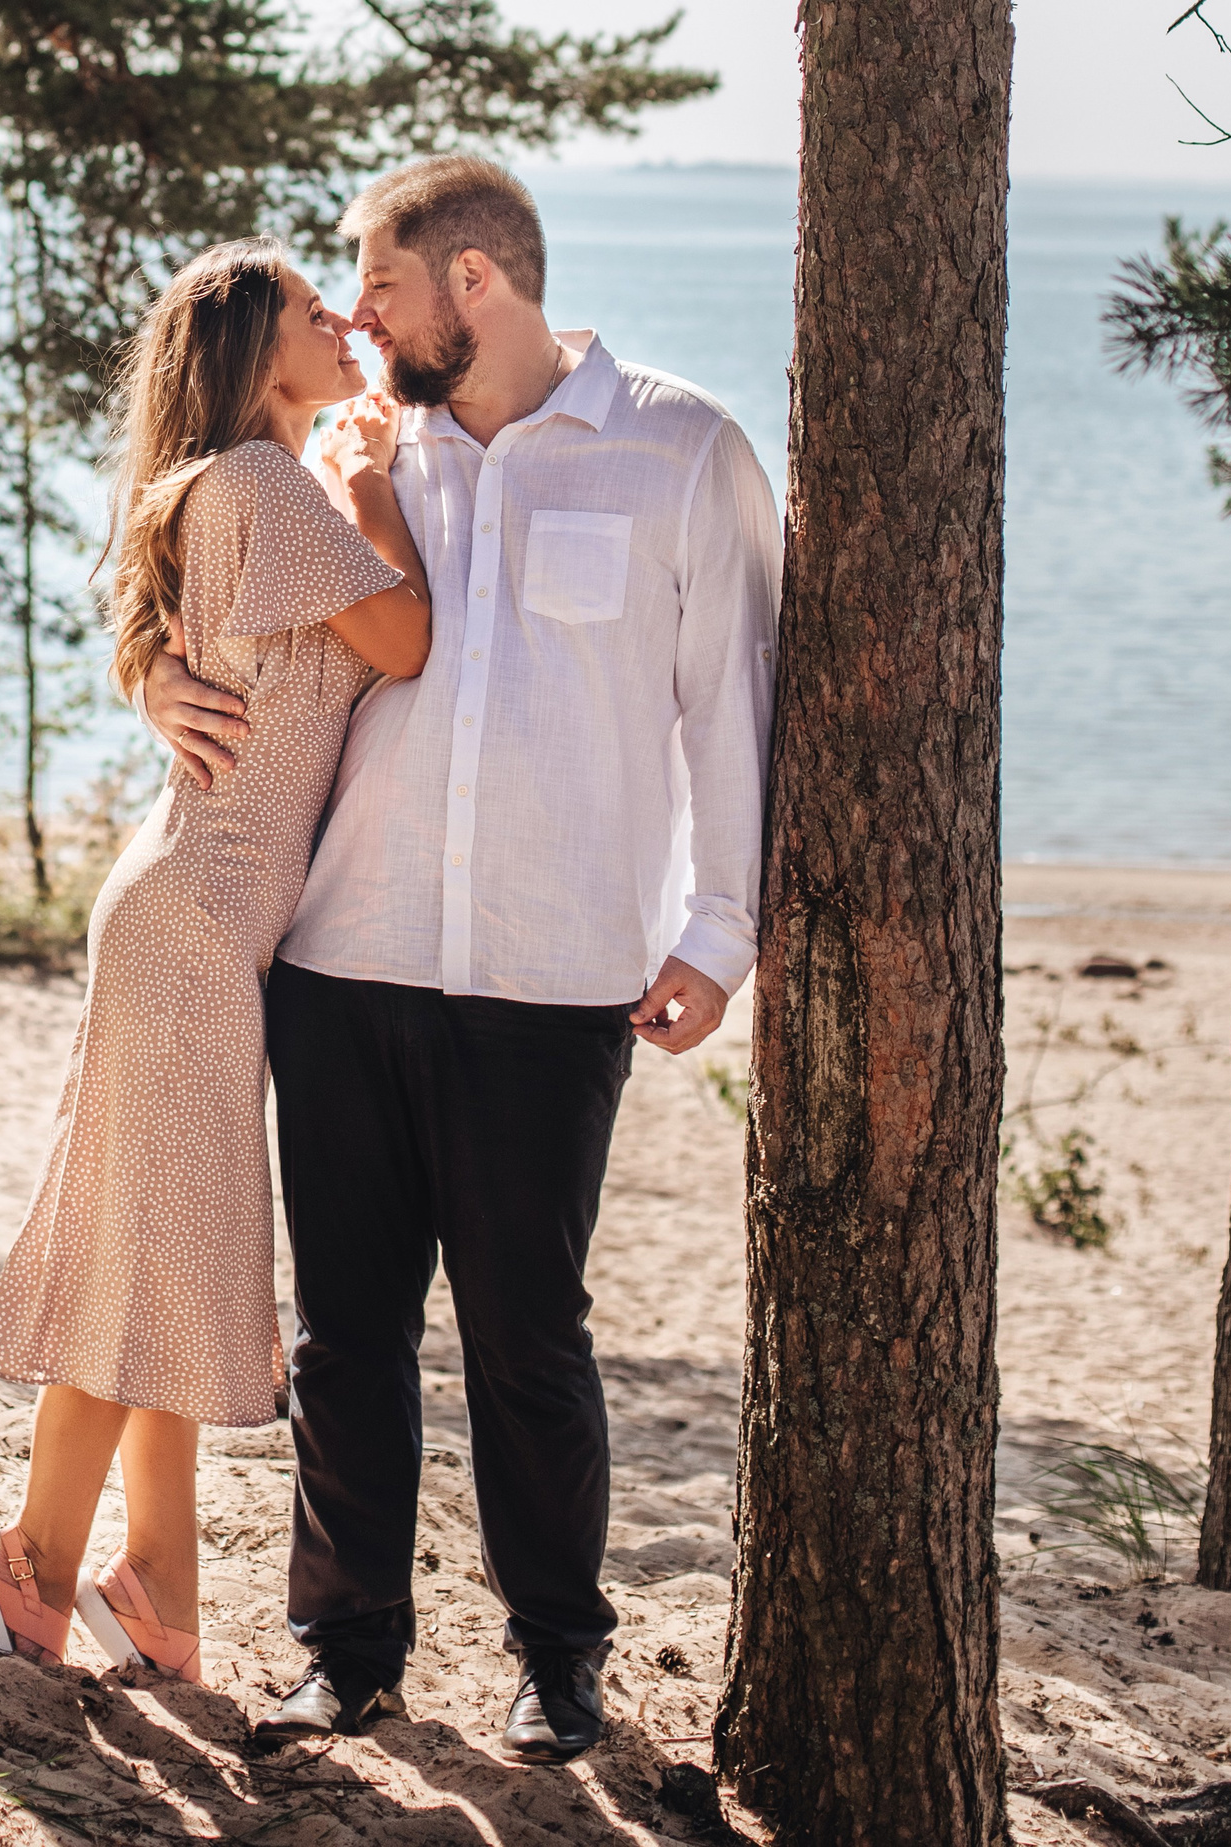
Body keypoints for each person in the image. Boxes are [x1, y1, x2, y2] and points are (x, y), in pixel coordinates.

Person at [140, 157, 782, 1762]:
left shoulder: (682, 451)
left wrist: (719, 932)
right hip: (342, 959)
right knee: (344, 1337)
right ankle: (344, 1650)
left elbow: (738, 713)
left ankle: (560, 1658)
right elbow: (192, 551)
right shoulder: (358, 451)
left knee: (528, 1337)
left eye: (381, 280)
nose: (357, 312)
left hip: (556, 978)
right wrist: (150, 671)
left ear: (475, 280)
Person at [0, 237, 433, 1687]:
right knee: (139, 1258)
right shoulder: (274, 487)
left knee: (161, 1252)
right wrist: (375, 486)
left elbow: (203, 657)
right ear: (248, 353)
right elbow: (404, 643)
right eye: (308, 308)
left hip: (195, 920)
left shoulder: (223, 493)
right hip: (195, 927)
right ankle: (34, 1565)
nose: (341, 317)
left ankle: (156, 1588)